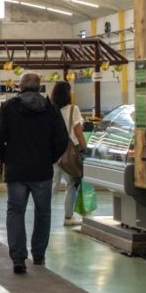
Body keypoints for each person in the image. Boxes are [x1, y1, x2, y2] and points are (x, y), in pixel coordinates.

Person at [0, 72, 68, 274]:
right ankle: (39, 255)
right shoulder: (51, 108)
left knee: (15, 211)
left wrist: (5, 156)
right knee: (43, 212)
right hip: (42, 169)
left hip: (16, 169)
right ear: (40, 87)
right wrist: (50, 157)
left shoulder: (9, 107)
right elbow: (62, 139)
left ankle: (18, 257)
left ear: (20, 86)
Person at [50, 81, 87, 227]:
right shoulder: (73, 109)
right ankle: (68, 216)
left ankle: (41, 212)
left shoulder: (50, 109)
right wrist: (85, 148)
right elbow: (78, 132)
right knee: (71, 184)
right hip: (69, 153)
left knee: (53, 183)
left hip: (53, 152)